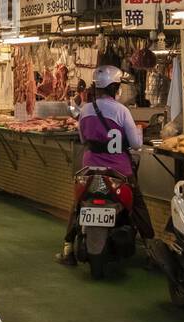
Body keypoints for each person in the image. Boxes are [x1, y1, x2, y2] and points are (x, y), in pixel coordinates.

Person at [56, 65, 153, 265]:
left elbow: (83, 139)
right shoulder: (122, 111)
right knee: (137, 204)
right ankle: (151, 247)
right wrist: (139, 131)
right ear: (115, 87)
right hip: (119, 170)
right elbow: (135, 144)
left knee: (78, 203)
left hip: (90, 167)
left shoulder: (85, 110)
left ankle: (67, 248)